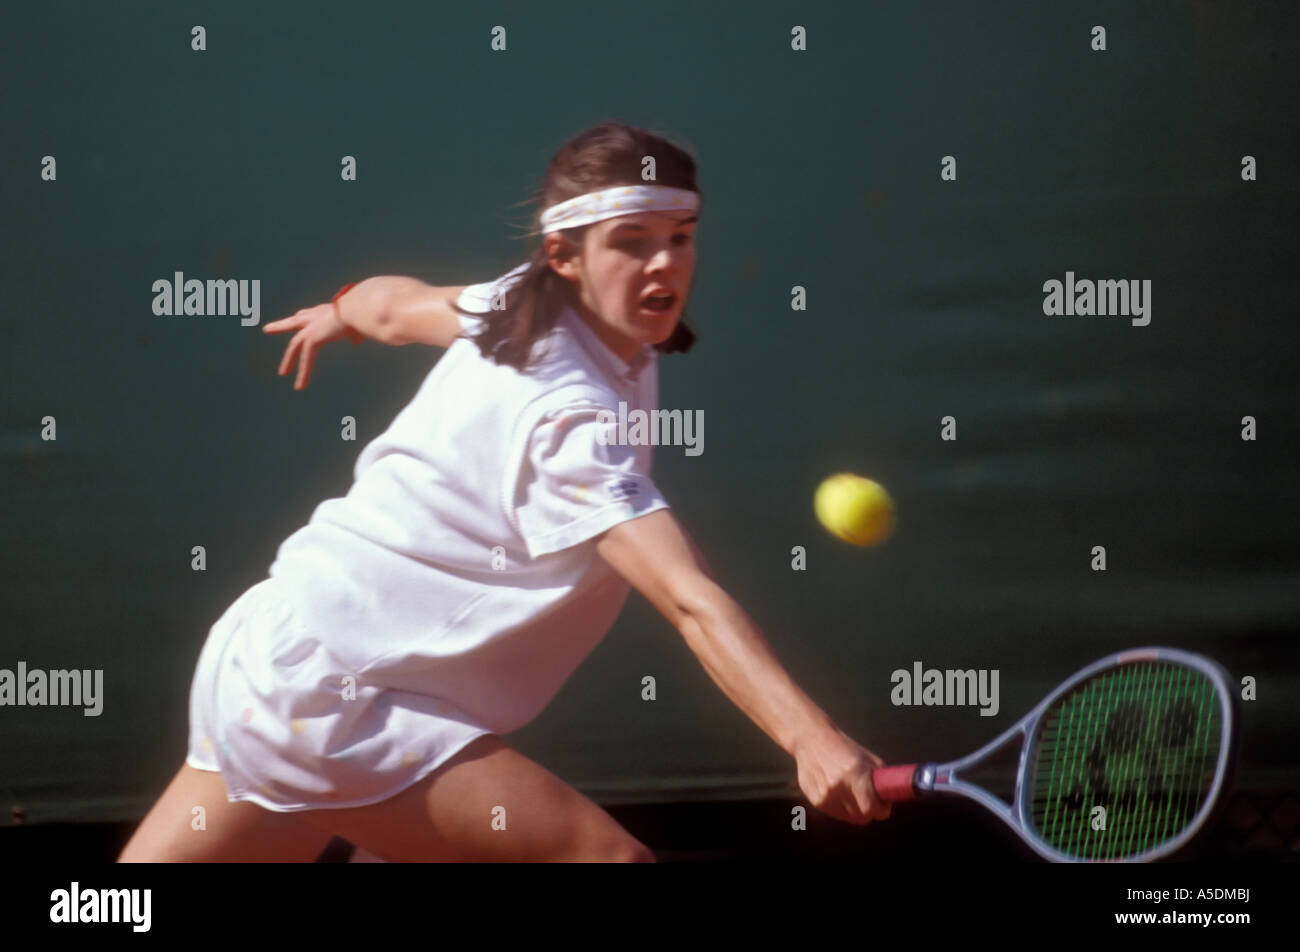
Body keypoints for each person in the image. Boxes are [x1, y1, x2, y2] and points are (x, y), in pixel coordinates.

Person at [118, 121, 891, 863]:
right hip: (331, 700)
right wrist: (809, 737)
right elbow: (687, 596)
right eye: (631, 243)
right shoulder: (566, 425)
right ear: (566, 254)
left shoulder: (519, 302)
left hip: (277, 655)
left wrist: (337, 311)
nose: (663, 265)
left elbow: (391, 306)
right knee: (602, 861)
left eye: (678, 239)